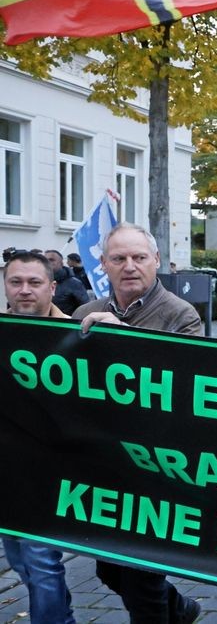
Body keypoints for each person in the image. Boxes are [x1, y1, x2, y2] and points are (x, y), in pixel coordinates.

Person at [73, 223, 202, 623]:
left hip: (155, 469)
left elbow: (188, 387)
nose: (130, 266)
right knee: (111, 569)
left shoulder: (182, 314)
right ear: (104, 265)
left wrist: (124, 338)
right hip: (103, 468)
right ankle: (181, 608)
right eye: (119, 259)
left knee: (143, 579)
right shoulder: (85, 314)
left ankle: (169, 613)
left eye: (139, 257)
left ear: (156, 261)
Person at [3, 250, 76, 624]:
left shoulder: (79, 335)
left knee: (41, 563)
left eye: (34, 283)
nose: (25, 291)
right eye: (16, 282)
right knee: (21, 561)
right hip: (7, 473)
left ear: (52, 287)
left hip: (53, 476)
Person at [44, 249, 89, 315]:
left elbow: (85, 307)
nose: (47, 263)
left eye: (51, 260)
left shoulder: (74, 283)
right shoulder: (37, 282)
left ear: (61, 263)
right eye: (44, 260)